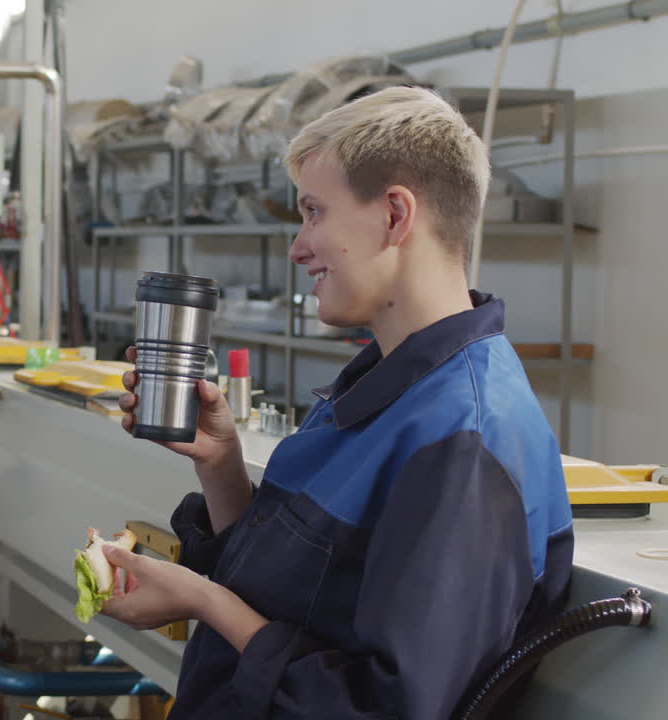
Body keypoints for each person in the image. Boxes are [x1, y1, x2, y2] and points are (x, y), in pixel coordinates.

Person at [104, 86, 574, 718]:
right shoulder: (384, 390)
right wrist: (220, 464)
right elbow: (302, 595)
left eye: (315, 212)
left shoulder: (464, 440)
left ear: (395, 216)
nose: (298, 246)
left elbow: (387, 707)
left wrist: (202, 599)